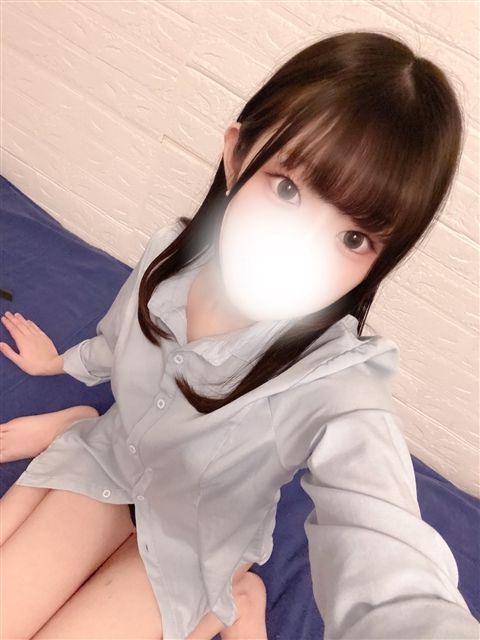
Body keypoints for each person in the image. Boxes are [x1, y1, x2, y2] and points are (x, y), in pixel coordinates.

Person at [1, 30, 478, 640]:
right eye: (287, 189)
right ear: (236, 155)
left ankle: (235, 594)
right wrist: (60, 367)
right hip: (113, 459)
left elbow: (389, 555)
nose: (299, 252)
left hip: (192, 547)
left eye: (354, 238)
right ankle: (78, 424)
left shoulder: (335, 383)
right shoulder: (166, 261)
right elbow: (118, 340)